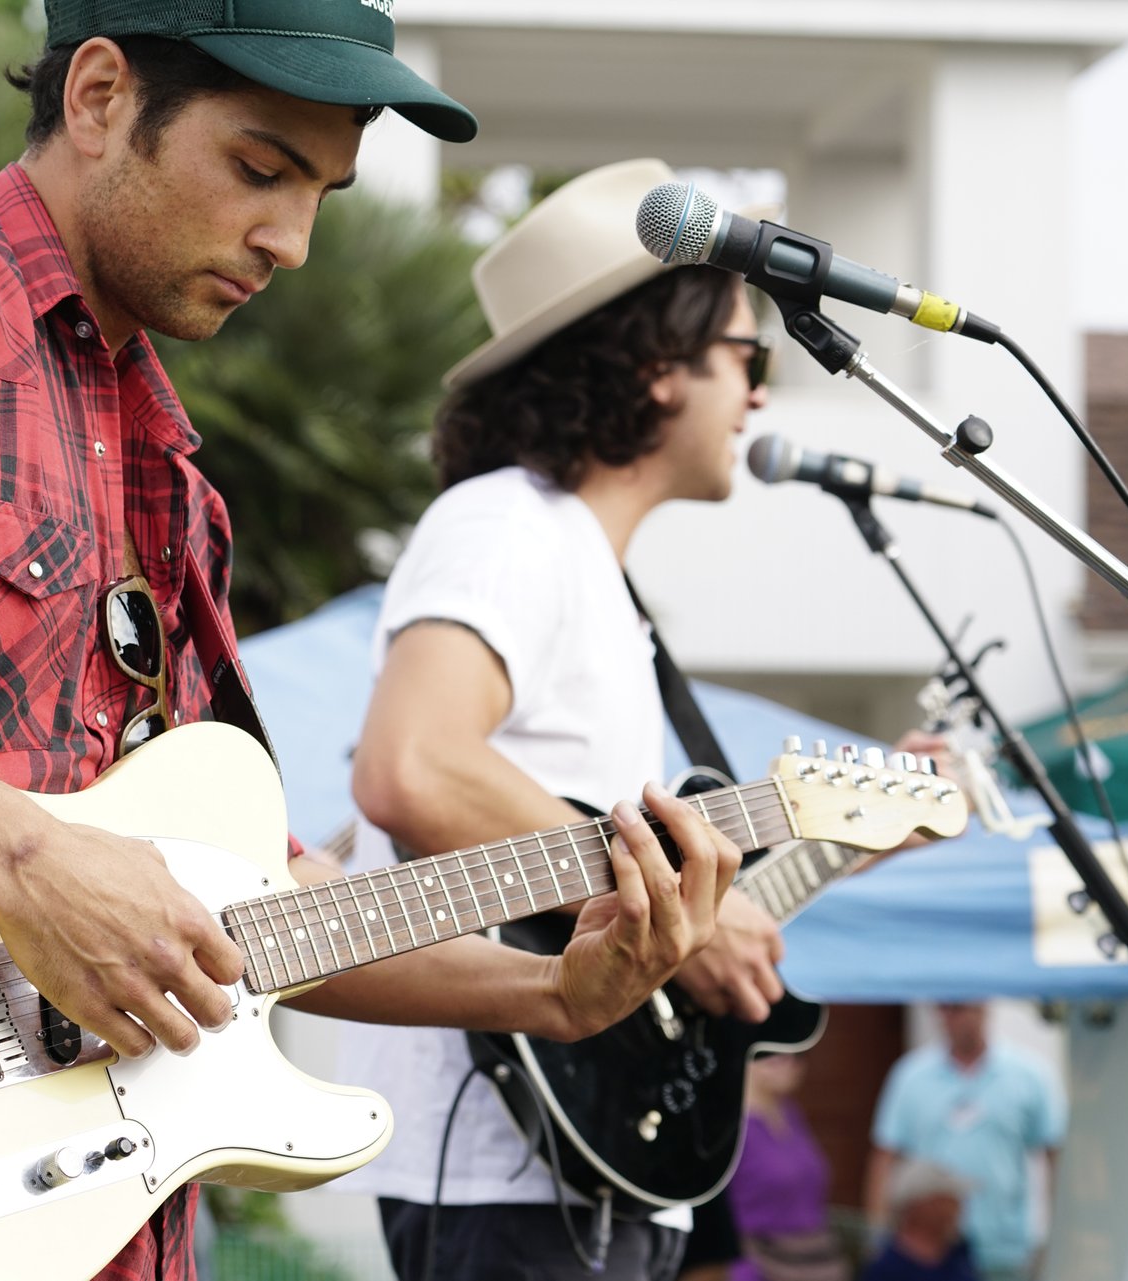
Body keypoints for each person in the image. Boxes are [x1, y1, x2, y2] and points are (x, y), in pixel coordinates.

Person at [0, 11, 741, 1280]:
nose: (290, 243)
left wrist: (553, 998)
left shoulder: (174, 483)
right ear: (96, 96)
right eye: (259, 168)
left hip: (113, 1221)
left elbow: (246, 904)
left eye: (320, 194)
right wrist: (29, 862)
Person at [334, 157, 795, 1281]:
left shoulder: (586, 569)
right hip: (509, 1178)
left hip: (576, 1169)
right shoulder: (509, 527)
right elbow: (415, 768)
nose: (764, 393)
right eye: (749, 354)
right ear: (654, 369)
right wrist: (667, 905)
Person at [864, 1002, 1064, 1281]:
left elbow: (1056, 1154)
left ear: (983, 1007)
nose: (952, 1017)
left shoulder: (1028, 1076)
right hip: (930, 1253)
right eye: (945, 1007)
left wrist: (1059, 1237)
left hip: (1006, 1248)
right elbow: (884, 1157)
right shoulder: (910, 1076)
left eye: (961, 1006)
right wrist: (877, 1234)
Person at [720, 1054, 846, 1281]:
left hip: (813, 1260)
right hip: (759, 1264)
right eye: (774, 1057)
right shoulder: (732, 1126)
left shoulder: (790, 1113)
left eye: (796, 1057)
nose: (790, 1063)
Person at [858, 1160, 979, 1281]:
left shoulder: (958, 1250)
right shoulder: (886, 1269)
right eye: (949, 1200)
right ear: (920, 1206)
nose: (958, 1209)